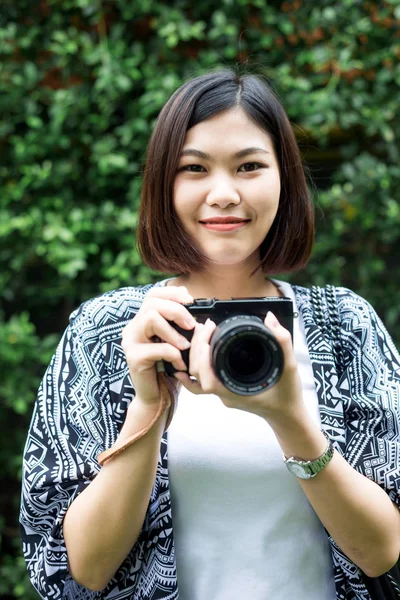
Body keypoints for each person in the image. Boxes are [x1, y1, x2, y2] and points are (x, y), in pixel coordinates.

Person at [20, 69, 400, 600]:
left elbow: (384, 552)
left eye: (249, 166)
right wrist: (147, 406)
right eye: (194, 168)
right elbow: (82, 567)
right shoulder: (105, 333)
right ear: (163, 183)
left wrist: (290, 419)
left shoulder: (346, 327)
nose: (223, 195)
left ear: (284, 178)